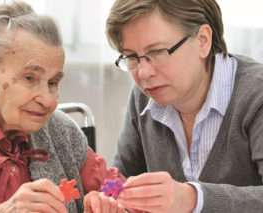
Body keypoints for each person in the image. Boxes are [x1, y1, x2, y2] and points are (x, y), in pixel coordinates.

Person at [0, 2, 125, 213]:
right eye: (30, 78)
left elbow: (117, 189)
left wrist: (110, 201)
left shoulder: (62, 133)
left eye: (52, 83)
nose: (47, 100)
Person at [99, 0, 263, 212]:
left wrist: (192, 199)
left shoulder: (256, 94)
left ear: (203, 41)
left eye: (157, 51)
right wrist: (107, 198)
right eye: (131, 57)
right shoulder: (143, 97)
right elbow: (122, 182)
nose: (143, 73)